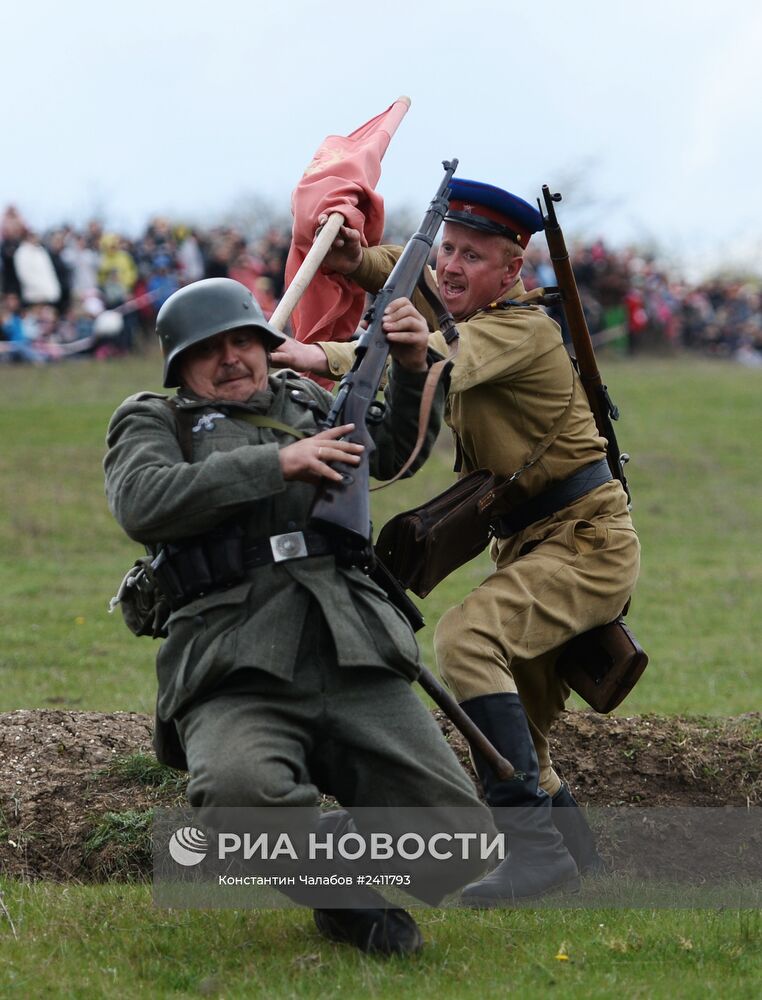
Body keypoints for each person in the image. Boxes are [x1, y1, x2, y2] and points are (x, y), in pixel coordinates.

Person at [271, 178, 642, 903]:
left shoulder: (519, 329)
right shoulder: (471, 296)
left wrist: (318, 357)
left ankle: (533, 853)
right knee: (519, 738)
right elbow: (418, 283)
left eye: (474, 256)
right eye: (446, 248)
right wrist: (353, 259)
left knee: (467, 641)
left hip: (586, 540)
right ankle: (578, 873)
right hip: (534, 544)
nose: (451, 265)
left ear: (513, 271)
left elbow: (437, 350)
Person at [104, 277, 495, 954]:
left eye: (242, 342)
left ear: (264, 344)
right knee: (236, 797)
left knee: (462, 845)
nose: (232, 358)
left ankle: (322, 853)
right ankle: (343, 901)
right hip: (233, 658)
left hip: (349, 643)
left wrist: (407, 368)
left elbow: (391, 453)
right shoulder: (153, 419)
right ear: (180, 366)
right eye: (210, 350)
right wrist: (277, 463)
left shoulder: (306, 398)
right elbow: (142, 500)